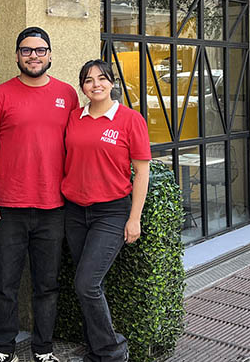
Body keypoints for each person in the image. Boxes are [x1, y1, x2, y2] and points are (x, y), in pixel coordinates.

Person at [0, 27, 79, 362]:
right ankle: (3, 349)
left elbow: (81, 144)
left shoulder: (68, 95)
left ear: (50, 54)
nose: (33, 55)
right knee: (5, 283)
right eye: (26, 50)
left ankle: (43, 349)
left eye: (40, 50)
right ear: (16, 55)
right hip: (8, 206)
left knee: (46, 285)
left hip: (54, 207)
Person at [61, 59, 151, 362]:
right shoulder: (74, 118)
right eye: (88, 80)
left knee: (86, 284)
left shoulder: (129, 119)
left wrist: (134, 218)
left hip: (111, 213)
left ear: (111, 83)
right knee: (89, 285)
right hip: (74, 212)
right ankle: (97, 351)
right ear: (82, 87)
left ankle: (113, 353)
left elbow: (142, 171)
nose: (95, 84)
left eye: (101, 78)